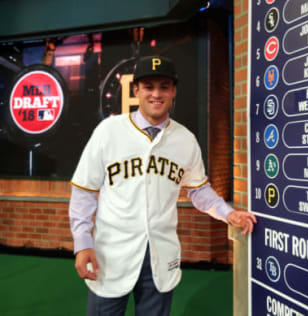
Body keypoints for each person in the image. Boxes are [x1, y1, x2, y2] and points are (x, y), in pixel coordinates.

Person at [68, 55, 257, 315]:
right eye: (148, 87)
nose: (156, 94)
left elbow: (198, 190)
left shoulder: (185, 139)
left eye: (164, 86)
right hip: (111, 252)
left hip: (161, 251)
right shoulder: (108, 131)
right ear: (136, 90)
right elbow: (84, 192)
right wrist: (82, 243)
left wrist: (228, 213)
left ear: (174, 91)